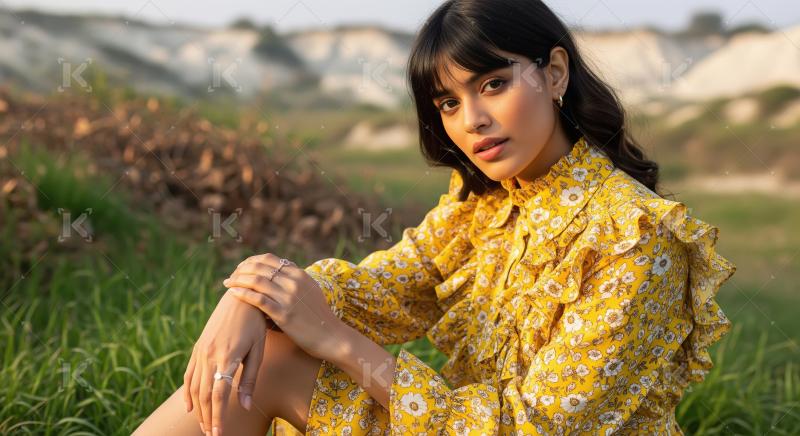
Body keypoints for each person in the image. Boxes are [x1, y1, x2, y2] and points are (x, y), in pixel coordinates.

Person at [135, 0, 736, 434]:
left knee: (278, 362)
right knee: (271, 348)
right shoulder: (484, 203)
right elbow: (387, 285)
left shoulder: (635, 237)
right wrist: (252, 292)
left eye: (493, 84)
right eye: (449, 102)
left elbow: (533, 428)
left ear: (555, 72)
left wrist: (340, 343)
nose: (472, 120)